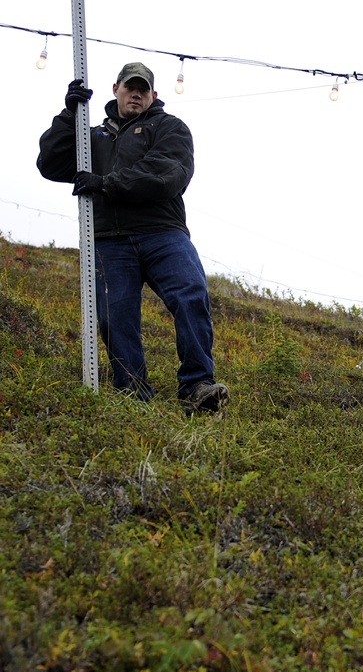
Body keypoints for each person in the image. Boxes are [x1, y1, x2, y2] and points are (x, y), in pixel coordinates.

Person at [37, 62, 228, 415]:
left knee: (190, 294)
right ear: (116, 90)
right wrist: (69, 115)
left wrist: (107, 183)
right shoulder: (91, 137)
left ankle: (198, 386)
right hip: (109, 239)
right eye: (130, 87)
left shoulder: (169, 128)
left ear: (154, 95)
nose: (136, 93)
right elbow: (50, 164)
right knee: (115, 316)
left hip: (162, 233)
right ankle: (132, 392)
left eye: (143, 89)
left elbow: (168, 173)